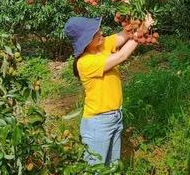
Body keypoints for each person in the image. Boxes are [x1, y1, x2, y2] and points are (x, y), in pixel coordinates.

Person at [63, 14, 153, 166]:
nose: (101, 34)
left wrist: (138, 16)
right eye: (94, 34)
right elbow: (122, 55)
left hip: (115, 116)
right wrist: (144, 29)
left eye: (98, 30)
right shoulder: (85, 63)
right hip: (98, 122)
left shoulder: (102, 45)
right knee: (96, 171)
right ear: (84, 42)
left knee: (112, 166)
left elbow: (126, 34)